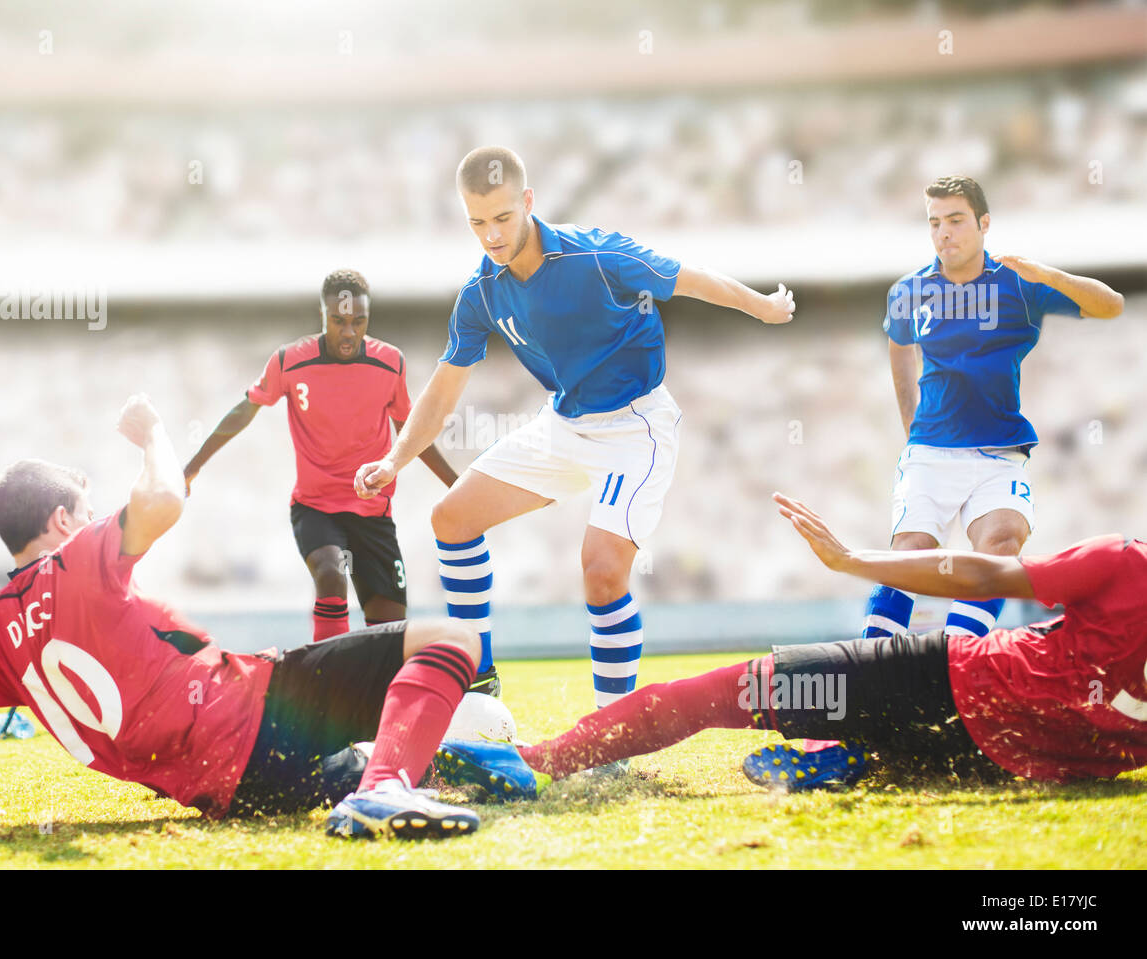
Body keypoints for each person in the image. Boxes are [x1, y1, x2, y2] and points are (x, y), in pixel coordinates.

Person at [0, 394, 482, 840]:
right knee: (452, 639)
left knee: (436, 770)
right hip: (257, 711)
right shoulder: (75, 558)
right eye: (85, 513)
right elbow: (163, 501)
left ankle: (422, 778)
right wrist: (152, 434)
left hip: (227, 788)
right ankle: (383, 789)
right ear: (63, 521)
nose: (93, 521)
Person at [355, 146, 795, 705]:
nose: (491, 235)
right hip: (562, 424)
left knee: (602, 571)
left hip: (636, 424)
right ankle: (481, 682)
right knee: (452, 519)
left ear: (529, 202)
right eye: (477, 223)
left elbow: (690, 279)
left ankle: (611, 729)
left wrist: (764, 308)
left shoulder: (596, 254)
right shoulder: (480, 293)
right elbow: (444, 389)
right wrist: (394, 459)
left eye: (502, 218)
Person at [432, 493, 1147, 797]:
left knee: (711, 695)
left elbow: (987, 572)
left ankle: (536, 763)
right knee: (890, 740)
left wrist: (853, 560)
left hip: (934, 683)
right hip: (997, 762)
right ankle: (853, 752)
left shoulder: (1125, 562)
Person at [863, 175, 1123, 647]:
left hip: (998, 450)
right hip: (930, 450)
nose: (944, 232)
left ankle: (956, 667)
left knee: (1002, 544)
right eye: (935, 222)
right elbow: (899, 348)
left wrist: (1049, 275)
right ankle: (867, 662)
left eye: (956, 220)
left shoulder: (1021, 284)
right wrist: (911, 427)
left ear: (984, 223)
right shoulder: (908, 291)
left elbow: (1111, 305)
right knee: (910, 552)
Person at [184, 269, 457, 643]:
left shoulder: (390, 363)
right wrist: (192, 466)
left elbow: (411, 433)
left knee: (389, 625)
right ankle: (326, 678)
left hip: (372, 513)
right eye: (338, 321)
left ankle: (377, 691)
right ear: (322, 315)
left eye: (358, 322)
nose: (348, 332)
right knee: (331, 572)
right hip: (315, 508)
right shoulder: (290, 362)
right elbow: (244, 410)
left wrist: (458, 485)